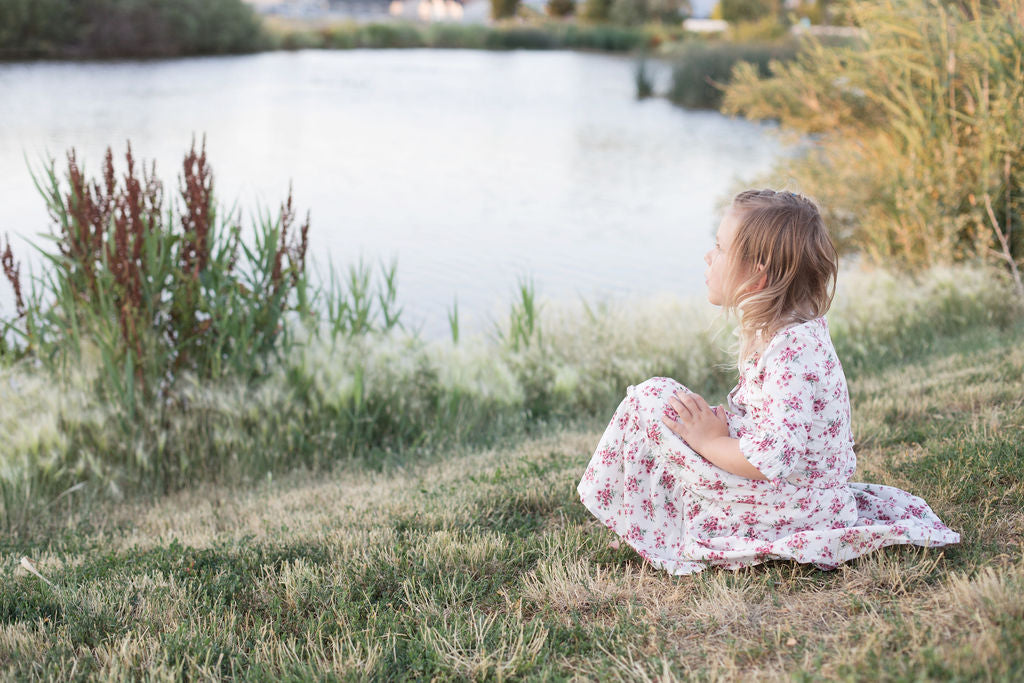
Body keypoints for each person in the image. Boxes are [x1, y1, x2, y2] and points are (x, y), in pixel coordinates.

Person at [577, 189, 959, 574]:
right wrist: (724, 429)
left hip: (795, 507)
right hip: (799, 496)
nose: (709, 257)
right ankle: (648, 526)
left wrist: (710, 440)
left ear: (757, 273)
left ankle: (652, 530)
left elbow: (774, 457)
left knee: (651, 401)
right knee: (664, 401)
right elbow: (776, 427)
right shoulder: (787, 332)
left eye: (720, 248)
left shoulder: (790, 351)